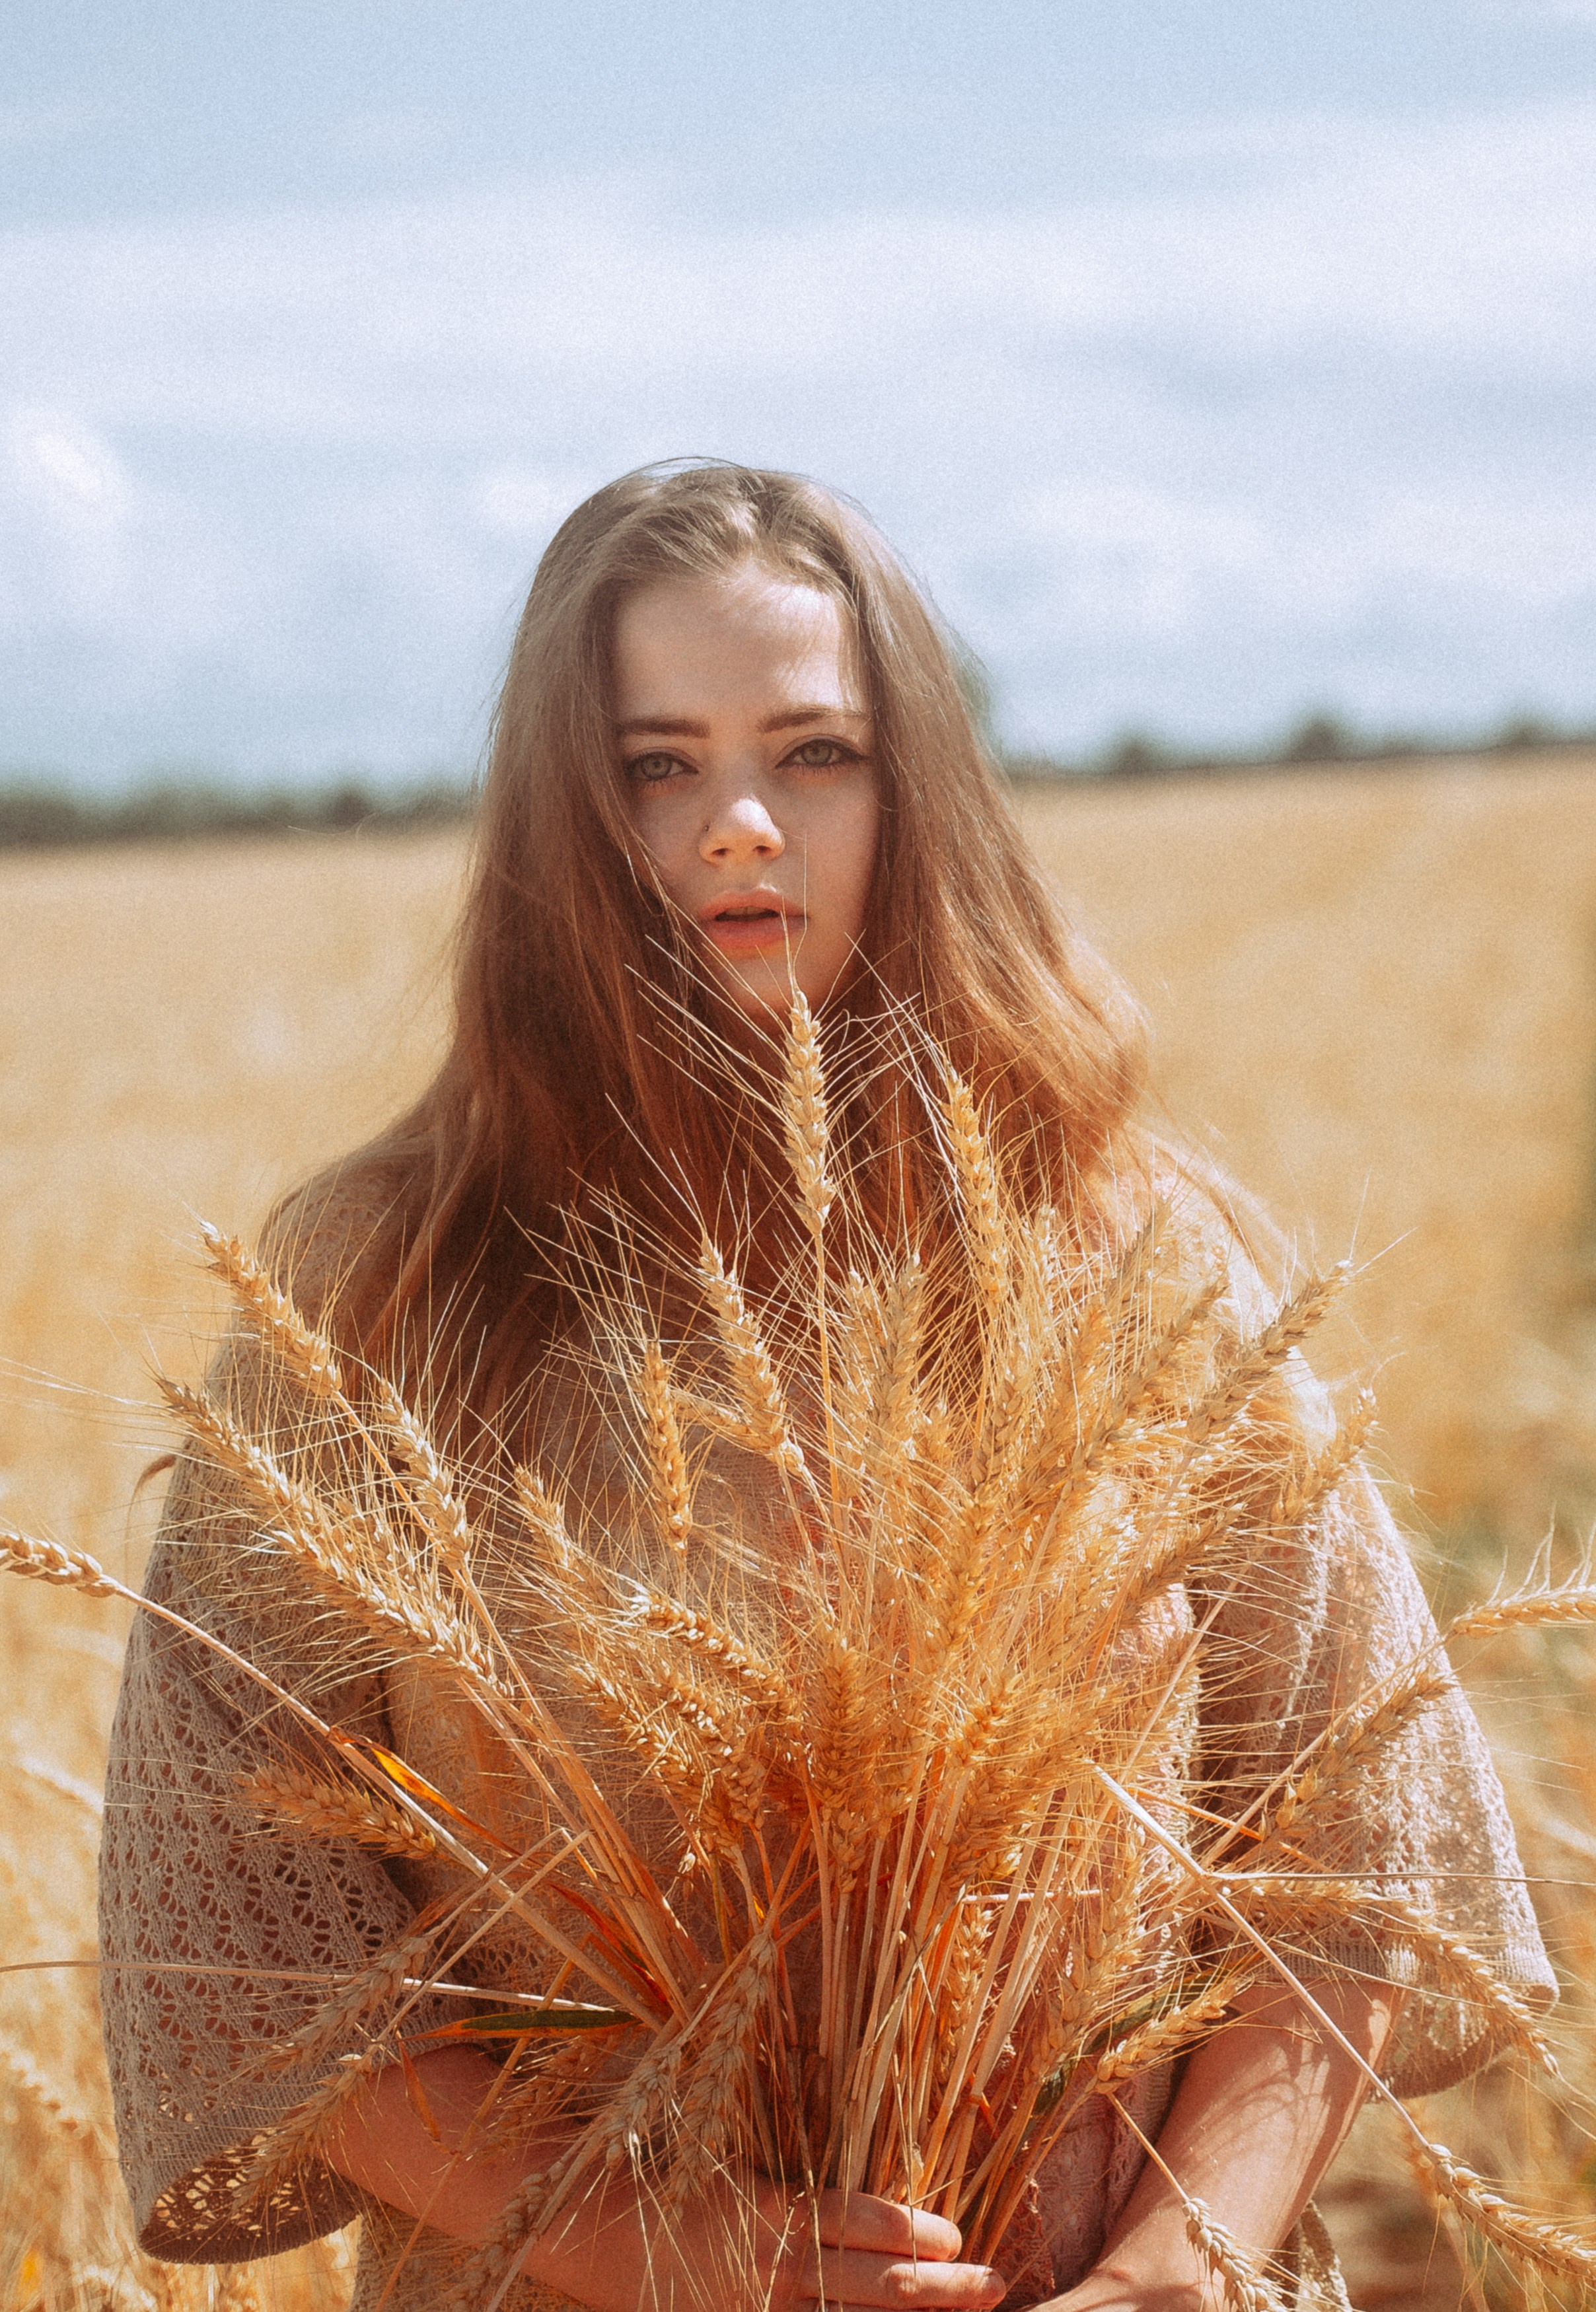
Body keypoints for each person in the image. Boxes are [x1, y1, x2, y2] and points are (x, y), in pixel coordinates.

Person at [100, 462, 1555, 2312]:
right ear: (565, 815)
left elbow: (1351, 1843)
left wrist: (1177, 2264)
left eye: (813, 753)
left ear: (915, 789)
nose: (737, 827)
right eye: (656, 764)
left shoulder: (1129, 1245)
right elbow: (246, 1940)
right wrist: (645, 2243)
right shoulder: (382, 1287)